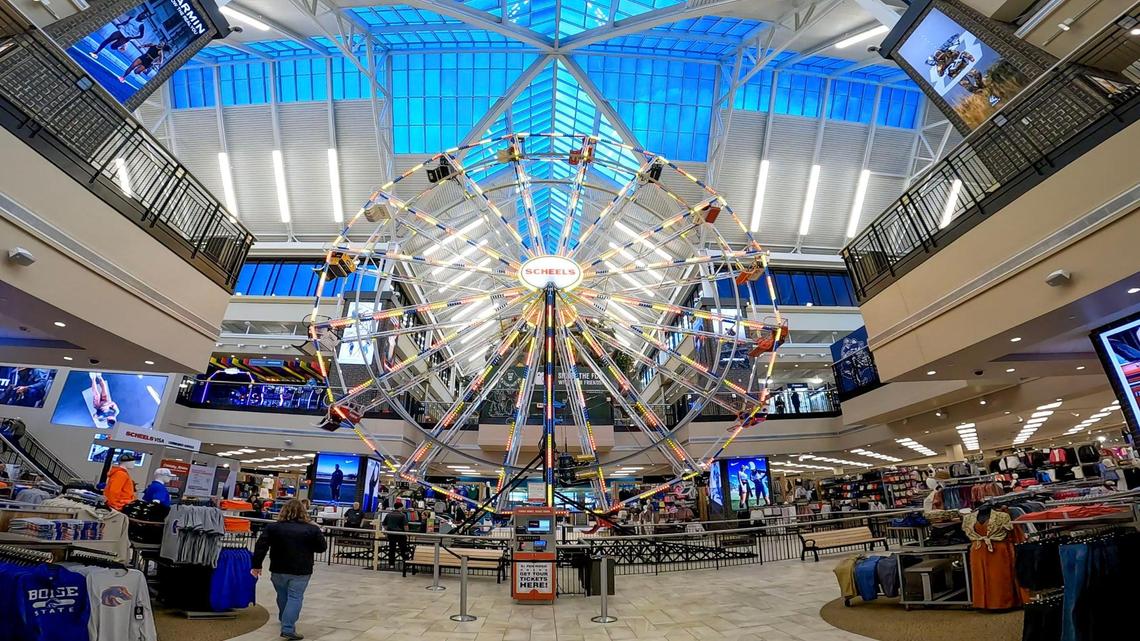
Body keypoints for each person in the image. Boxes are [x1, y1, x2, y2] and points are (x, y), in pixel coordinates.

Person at [252, 499, 327, 641]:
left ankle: (284, 617)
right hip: (301, 570)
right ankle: (287, 627)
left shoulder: (273, 528)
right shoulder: (312, 529)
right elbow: (321, 548)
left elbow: (261, 546)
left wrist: (257, 565)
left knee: (282, 595)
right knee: (295, 597)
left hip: (278, 568)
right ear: (303, 512)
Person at [381, 504, 408, 568]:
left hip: (391, 534)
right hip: (400, 534)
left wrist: (387, 530)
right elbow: (405, 526)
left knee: (392, 549)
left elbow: (384, 524)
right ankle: (406, 562)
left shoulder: (388, 514)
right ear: (400, 508)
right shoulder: (403, 515)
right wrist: (406, 533)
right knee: (403, 549)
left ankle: (391, 564)